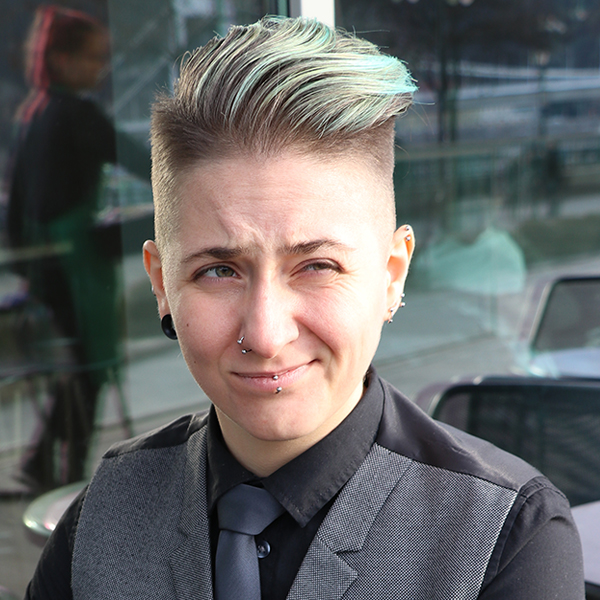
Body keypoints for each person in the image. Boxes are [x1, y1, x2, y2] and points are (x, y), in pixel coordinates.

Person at [25, 16, 583, 599]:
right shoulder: (104, 515)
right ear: (163, 284)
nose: (266, 334)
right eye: (219, 271)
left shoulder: (507, 540)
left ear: (392, 275)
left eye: (317, 266)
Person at [5, 6, 150, 490]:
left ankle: (44, 465)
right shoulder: (78, 116)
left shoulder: (36, 111)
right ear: (62, 60)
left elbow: (18, 204)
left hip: (46, 265)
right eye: (93, 58)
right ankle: (67, 475)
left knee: (77, 368)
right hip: (76, 268)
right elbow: (142, 160)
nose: (101, 69)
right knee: (90, 367)